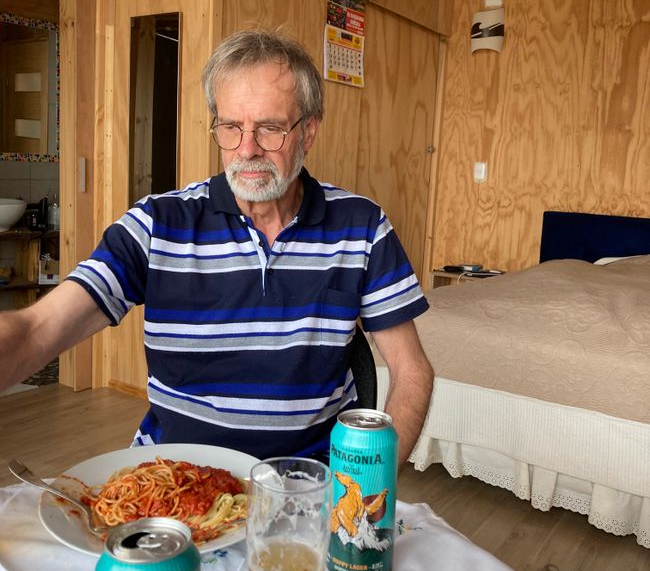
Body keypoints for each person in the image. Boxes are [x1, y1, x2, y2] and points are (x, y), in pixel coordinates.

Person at [0, 30, 433, 465]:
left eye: (270, 128)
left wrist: (364, 488)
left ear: (309, 132)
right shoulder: (158, 224)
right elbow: (36, 330)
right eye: (231, 127)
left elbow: (411, 370)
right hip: (175, 482)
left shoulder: (361, 226)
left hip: (305, 489)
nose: (247, 149)